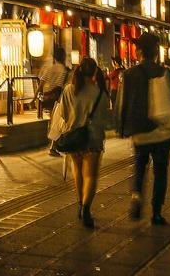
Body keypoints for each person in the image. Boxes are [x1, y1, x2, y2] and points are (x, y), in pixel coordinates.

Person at [116, 33, 170, 225]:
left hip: (140, 132)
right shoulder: (167, 73)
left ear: (138, 52)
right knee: (161, 171)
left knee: (140, 166)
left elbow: (123, 103)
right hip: (163, 132)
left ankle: (137, 196)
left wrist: (122, 127)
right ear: (156, 52)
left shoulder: (128, 74)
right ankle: (156, 212)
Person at [58, 58, 110, 228]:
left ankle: (80, 203)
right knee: (91, 175)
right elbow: (103, 120)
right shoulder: (100, 93)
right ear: (95, 72)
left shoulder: (68, 90)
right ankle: (86, 208)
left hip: (73, 137)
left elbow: (64, 115)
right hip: (93, 139)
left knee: (78, 172)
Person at [38, 47, 70, 156]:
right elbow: (60, 86)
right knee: (58, 121)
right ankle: (53, 146)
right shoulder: (64, 70)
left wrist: (35, 97)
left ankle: (52, 145)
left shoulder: (50, 69)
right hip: (57, 98)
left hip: (47, 98)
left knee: (54, 121)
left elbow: (41, 83)